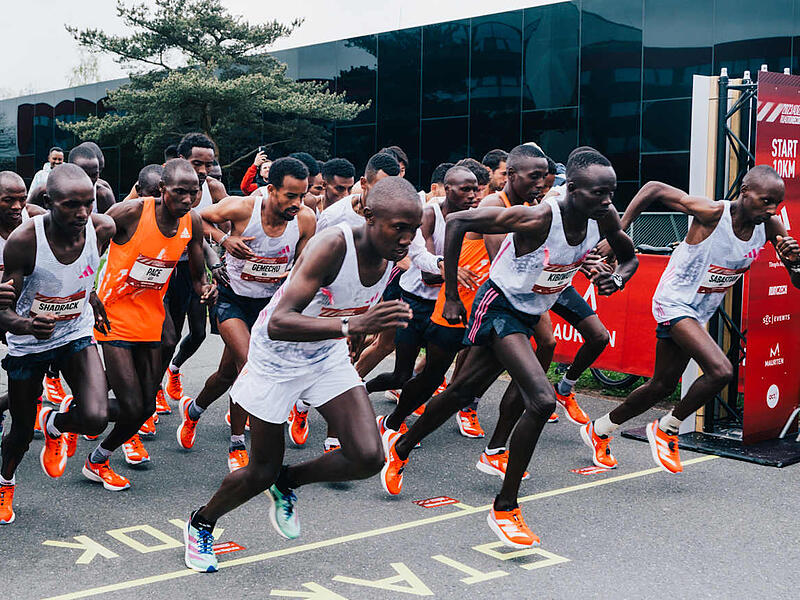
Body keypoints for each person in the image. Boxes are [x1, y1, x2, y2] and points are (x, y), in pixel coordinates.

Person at [381, 149, 638, 549]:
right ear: (572, 189)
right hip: (499, 305)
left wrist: (617, 280)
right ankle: (505, 508)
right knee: (540, 400)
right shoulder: (537, 218)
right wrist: (450, 292)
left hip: (534, 306)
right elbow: (458, 221)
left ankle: (400, 446)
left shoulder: (601, 217)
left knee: (460, 392)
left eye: (612, 193)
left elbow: (629, 258)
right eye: (599, 193)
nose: (608, 202)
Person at [182, 176, 421, 573]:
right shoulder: (333, 246)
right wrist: (353, 325)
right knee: (258, 470)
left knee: (367, 457)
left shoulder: (394, 252)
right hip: (276, 359)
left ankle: (288, 481)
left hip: (325, 357)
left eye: (413, 229)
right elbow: (279, 322)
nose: (407, 238)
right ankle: (201, 522)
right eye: (399, 228)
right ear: (368, 216)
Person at [584, 166, 800, 473]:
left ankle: (600, 429)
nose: (772, 209)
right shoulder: (712, 213)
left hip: (698, 312)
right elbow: (654, 187)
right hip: (674, 301)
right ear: (745, 192)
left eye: (776, 202)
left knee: (661, 385)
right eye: (766, 200)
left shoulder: (770, 226)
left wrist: (795, 264)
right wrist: (618, 232)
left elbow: (797, 281)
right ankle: (667, 428)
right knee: (721, 370)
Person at [177, 157, 316, 471]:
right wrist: (225, 239)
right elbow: (194, 218)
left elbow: (302, 265)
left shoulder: (306, 220)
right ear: (270, 190)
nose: (298, 203)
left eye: (302, 196)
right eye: (290, 196)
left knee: (227, 374)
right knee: (249, 368)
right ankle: (237, 443)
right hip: (231, 300)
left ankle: (194, 410)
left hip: (269, 308)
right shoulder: (242, 208)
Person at [0, 165, 115, 524]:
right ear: (49, 202)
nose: (82, 213)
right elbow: (3, 313)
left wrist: (92, 298)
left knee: (96, 416)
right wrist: (27, 324)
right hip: (29, 343)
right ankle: (5, 482)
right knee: (19, 431)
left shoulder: (102, 228)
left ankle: (54, 424)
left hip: (74, 333)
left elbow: (84, 274)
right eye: (71, 205)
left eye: (88, 203)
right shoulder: (25, 241)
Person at [91, 158, 216, 485]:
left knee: (145, 408)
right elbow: (87, 247)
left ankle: (97, 459)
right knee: (130, 405)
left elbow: (197, 271)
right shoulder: (130, 212)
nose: (187, 200)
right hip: (113, 313)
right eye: (180, 192)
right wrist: (89, 295)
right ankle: (63, 420)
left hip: (151, 315)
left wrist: (205, 288)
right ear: (162, 190)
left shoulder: (193, 222)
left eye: (193, 192)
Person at [288, 151, 402, 451]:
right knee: (311, 367)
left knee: (347, 364)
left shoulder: (396, 216)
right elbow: (310, 266)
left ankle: (334, 438)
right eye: (379, 189)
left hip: (363, 302)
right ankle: (301, 407)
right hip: (326, 304)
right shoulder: (335, 217)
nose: (386, 197)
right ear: (364, 184)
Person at [365, 166, 478, 406]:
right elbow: (421, 260)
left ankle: (397, 421)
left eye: (475, 190)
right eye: (465, 189)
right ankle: (363, 390)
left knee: (432, 376)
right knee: (401, 375)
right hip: (414, 302)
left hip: (444, 305)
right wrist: (445, 266)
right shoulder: (429, 215)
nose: (472, 195)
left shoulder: (475, 219)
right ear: (447, 189)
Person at [162, 133, 227, 403]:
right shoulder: (162, 184)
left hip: (196, 266)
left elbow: (222, 226)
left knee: (199, 332)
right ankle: (154, 388)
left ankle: (174, 369)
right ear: (181, 160)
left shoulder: (214, 189)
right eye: (196, 163)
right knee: (170, 334)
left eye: (207, 165)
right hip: (165, 270)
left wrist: (223, 248)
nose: (202, 170)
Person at [0, 172, 47, 443]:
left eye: (21, 199)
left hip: (27, 314)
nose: (17, 206)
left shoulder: (37, 219)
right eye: (8, 200)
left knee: (30, 383)